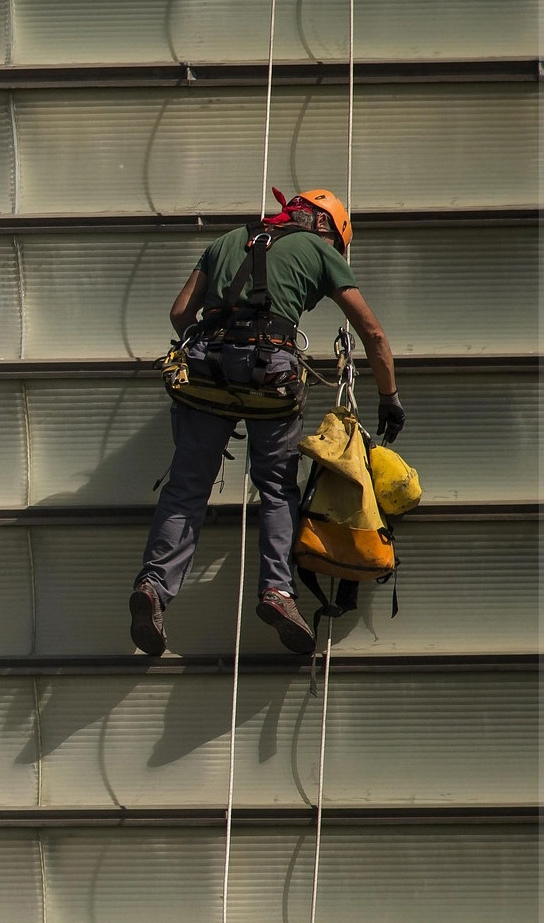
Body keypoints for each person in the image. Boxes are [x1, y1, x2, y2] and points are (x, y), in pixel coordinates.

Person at [131, 188, 402, 656]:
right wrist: (389, 398)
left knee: (186, 487)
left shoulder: (227, 240)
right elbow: (371, 332)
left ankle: (153, 588)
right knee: (277, 487)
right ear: (324, 226)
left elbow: (180, 313)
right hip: (270, 376)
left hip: (205, 372)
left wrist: (218, 353)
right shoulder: (318, 248)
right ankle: (276, 592)